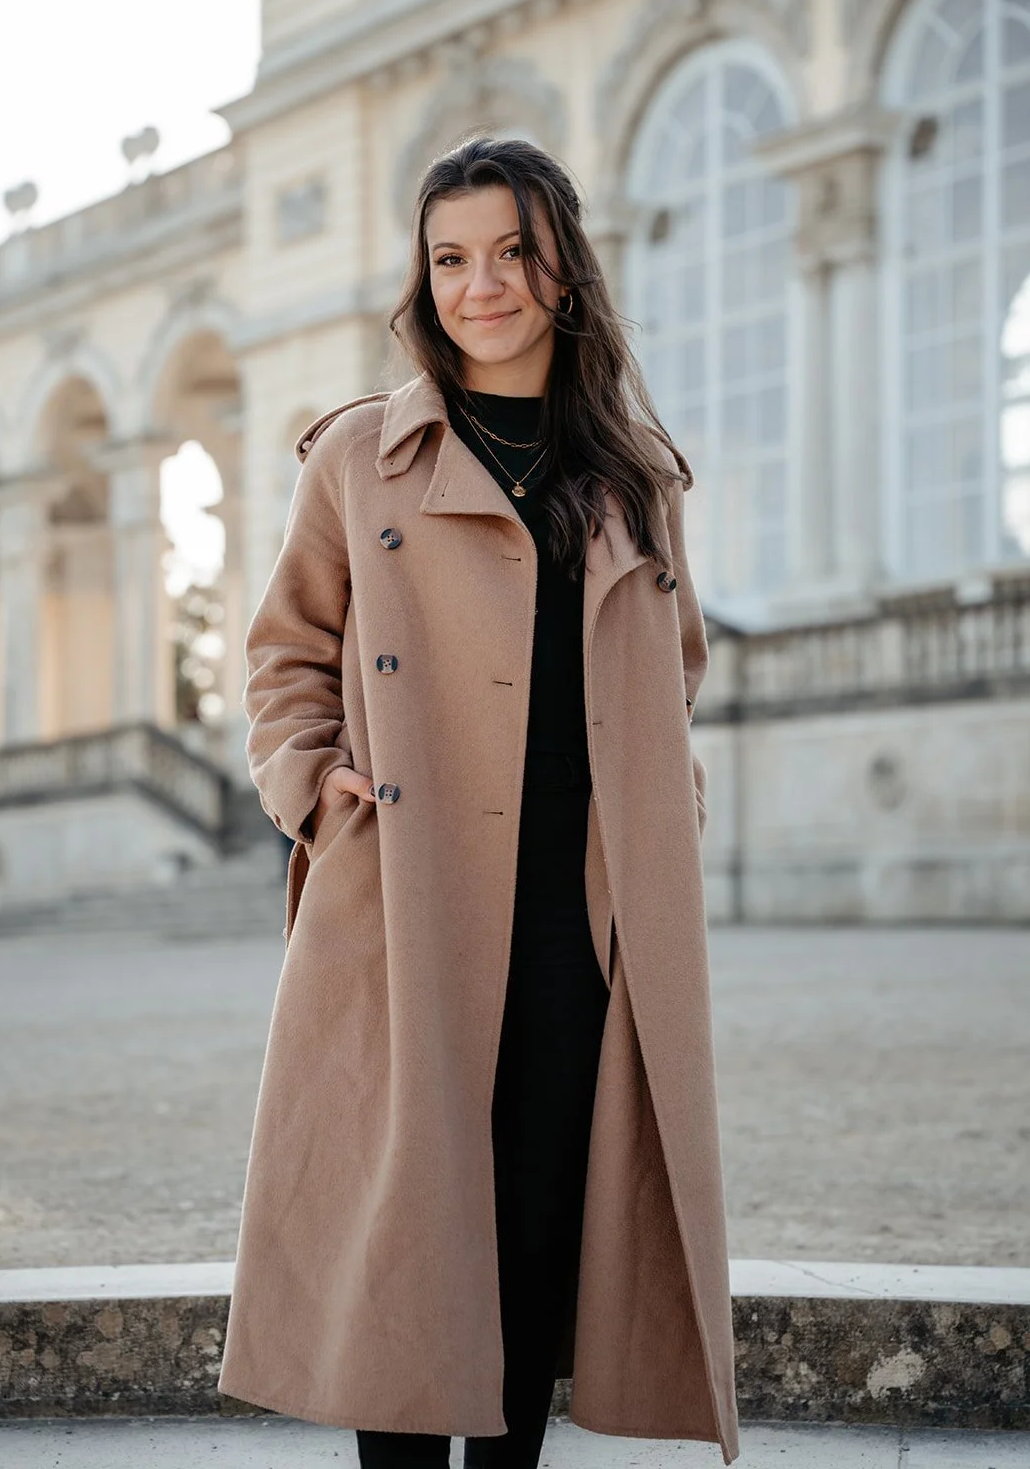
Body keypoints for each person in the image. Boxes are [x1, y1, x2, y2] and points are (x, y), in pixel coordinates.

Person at [217, 137, 739, 1468]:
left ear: (559, 265)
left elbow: (673, 669)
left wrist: (659, 807)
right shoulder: (356, 459)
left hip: (577, 907)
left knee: (530, 1230)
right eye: (450, 258)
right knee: (405, 1237)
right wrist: (309, 784)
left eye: (509, 251)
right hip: (407, 891)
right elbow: (283, 653)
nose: (480, 285)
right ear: (422, 277)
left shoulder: (634, 475)